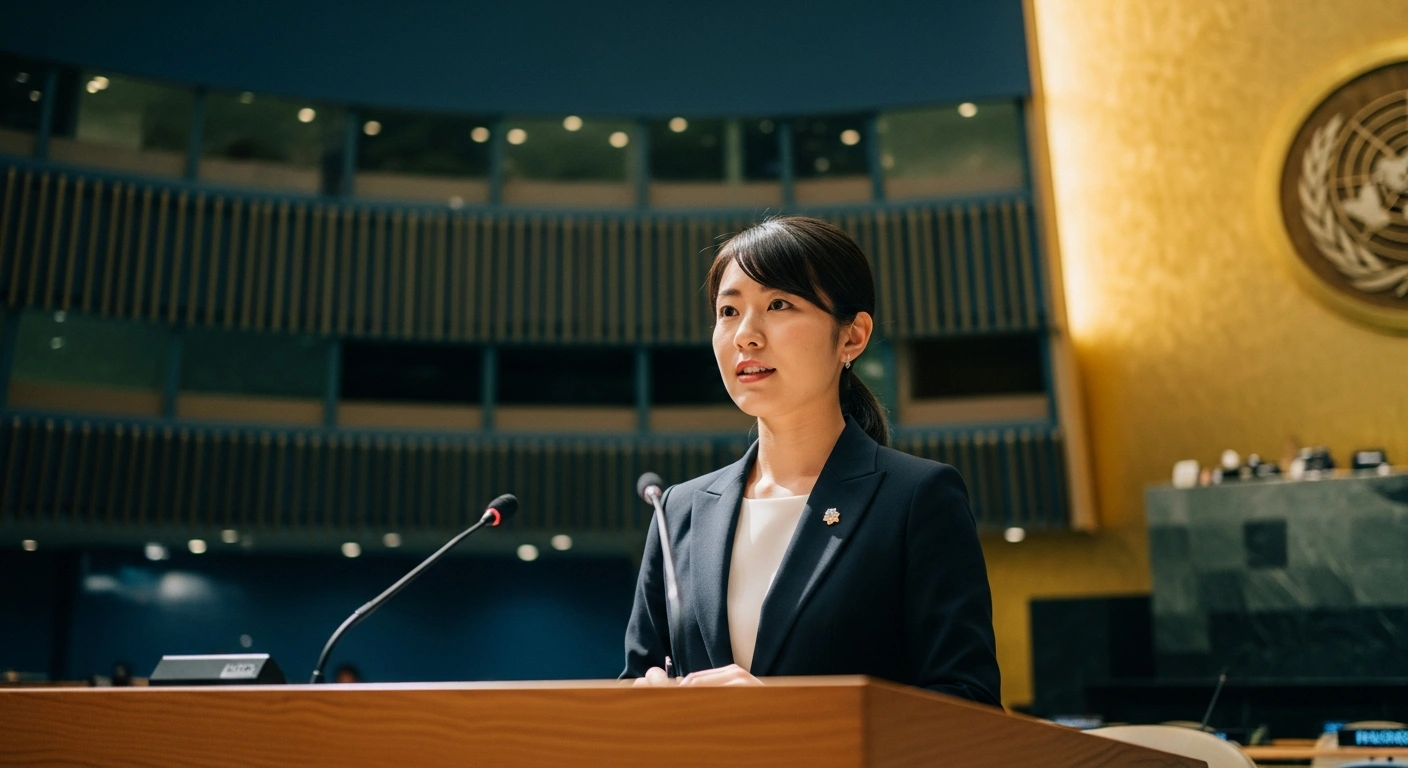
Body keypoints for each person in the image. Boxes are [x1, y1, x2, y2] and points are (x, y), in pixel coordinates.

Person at [621, 216, 1001, 705]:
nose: (745, 335)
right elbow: (634, 680)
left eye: (779, 304)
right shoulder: (678, 510)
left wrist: (785, 718)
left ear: (852, 337)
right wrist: (643, 699)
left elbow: (969, 704)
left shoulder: (917, 498)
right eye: (729, 311)